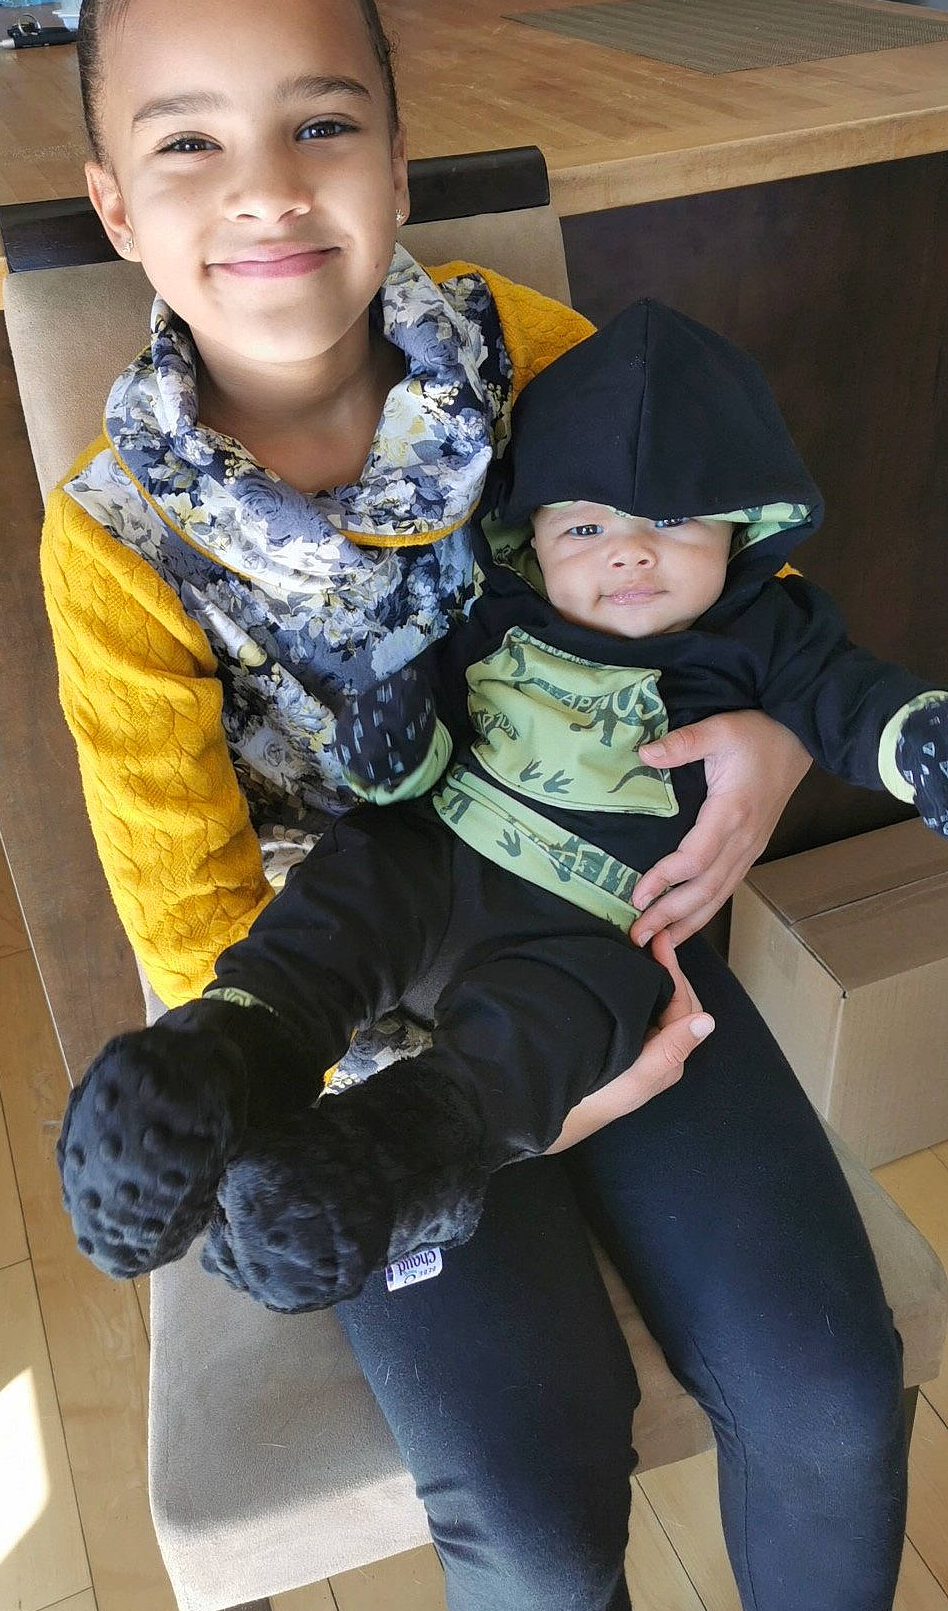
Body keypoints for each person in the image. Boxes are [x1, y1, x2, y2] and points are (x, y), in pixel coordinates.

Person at [40, 0, 906, 1611]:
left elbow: (701, 604)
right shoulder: (114, 536)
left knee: (831, 1393)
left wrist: (760, 744)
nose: (263, 186)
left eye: (318, 123)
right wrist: (493, 1105)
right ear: (115, 203)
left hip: (605, 921)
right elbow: (187, 916)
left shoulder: (538, 352)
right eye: (188, 141)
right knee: (524, 1504)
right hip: (345, 1021)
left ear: (394, 154)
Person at [57, 297, 948, 1315]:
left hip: (583, 921)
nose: (628, 553)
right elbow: (414, 748)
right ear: (532, 535)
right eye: (586, 524)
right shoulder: (498, 606)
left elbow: (862, 707)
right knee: (343, 901)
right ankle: (219, 1064)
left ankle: (377, 1164)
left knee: (555, 1030)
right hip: (434, 851)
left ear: (743, 530)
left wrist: (920, 746)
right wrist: (389, 742)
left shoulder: (769, 634)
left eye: (671, 524)